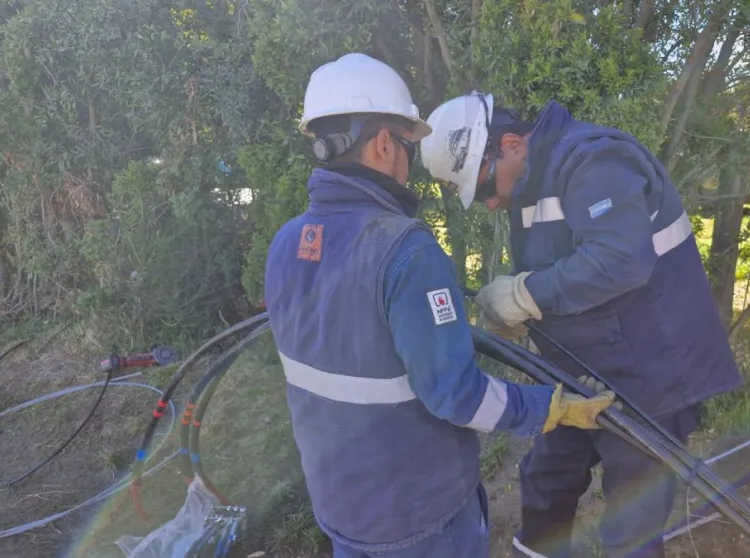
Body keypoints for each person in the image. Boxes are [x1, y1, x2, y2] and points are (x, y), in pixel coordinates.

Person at [262, 54, 618, 558]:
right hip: (419, 514)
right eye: (408, 145)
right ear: (384, 144)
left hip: (341, 507)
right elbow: (458, 396)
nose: (409, 163)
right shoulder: (406, 250)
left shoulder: (287, 243)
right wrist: (550, 407)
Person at [420, 91, 745, 558]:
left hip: (650, 377)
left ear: (510, 144)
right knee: (545, 482)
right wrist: (530, 315)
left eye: (487, 188)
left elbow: (620, 261)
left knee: (629, 521)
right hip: (582, 372)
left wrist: (527, 295)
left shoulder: (593, 160)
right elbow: (565, 274)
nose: (490, 204)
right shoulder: (531, 185)